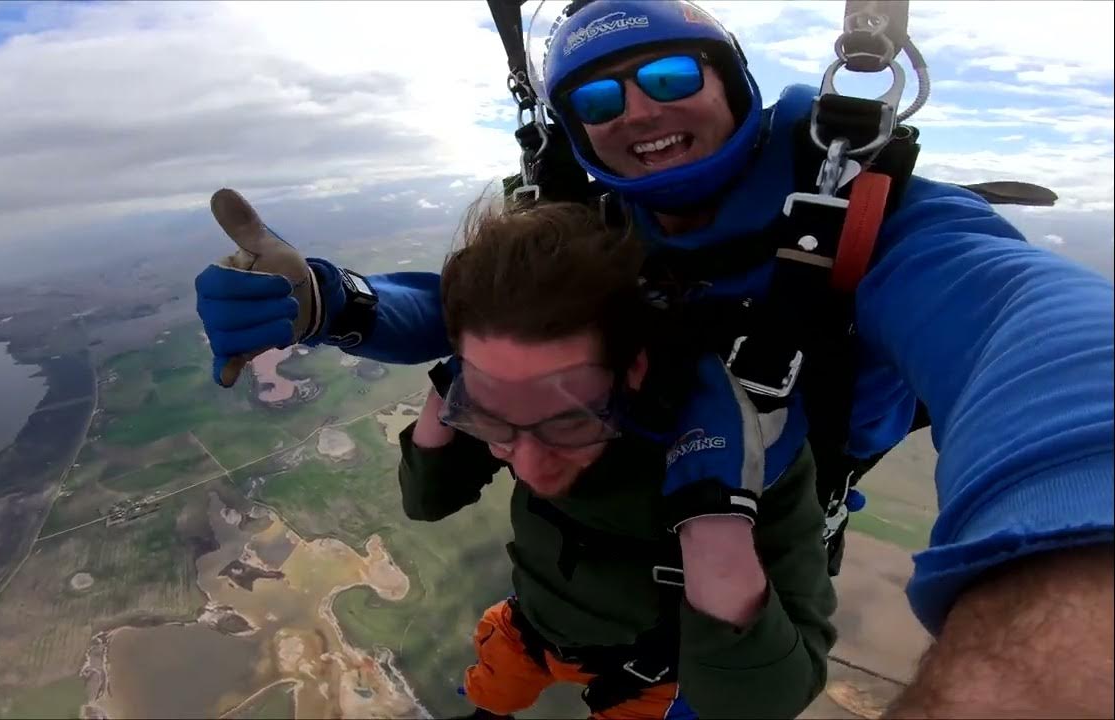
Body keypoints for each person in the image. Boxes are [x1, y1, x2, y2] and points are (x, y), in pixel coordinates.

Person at [194, 0, 1115, 715]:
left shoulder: (871, 221)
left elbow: (1022, 319)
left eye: (670, 76)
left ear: (734, 82)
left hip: (749, 519)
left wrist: (1072, 546)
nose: (638, 111)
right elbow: (477, 310)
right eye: (598, 98)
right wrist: (334, 302)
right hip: (580, 576)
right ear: (576, 129)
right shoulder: (592, 214)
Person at [400, 199, 835, 719]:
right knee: (493, 696)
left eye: (569, 422)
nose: (531, 469)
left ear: (632, 370)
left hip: (645, 677)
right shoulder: (511, 405)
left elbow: (765, 701)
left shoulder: (751, 458)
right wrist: (455, 383)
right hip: (528, 635)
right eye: (494, 424)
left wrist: (715, 523)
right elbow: (427, 498)